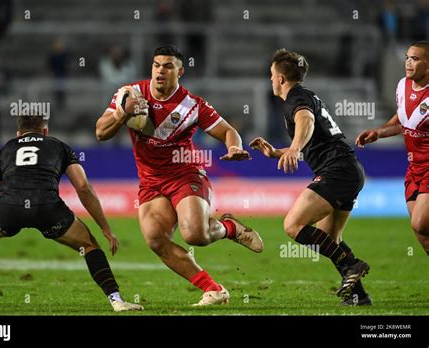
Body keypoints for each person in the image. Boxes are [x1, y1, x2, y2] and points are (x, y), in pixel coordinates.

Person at [96, 45, 263, 306]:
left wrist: (234, 147)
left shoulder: (192, 105)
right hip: (151, 181)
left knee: (195, 235)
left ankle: (230, 227)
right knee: (155, 239)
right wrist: (122, 113)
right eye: (156, 65)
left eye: (168, 66)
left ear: (180, 71)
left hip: (185, 174)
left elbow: (228, 131)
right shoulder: (130, 94)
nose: (160, 71)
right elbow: (101, 132)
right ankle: (214, 289)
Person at [0, 115, 143, 312]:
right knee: (89, 245)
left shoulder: (6, 149)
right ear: (45, 131)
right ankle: (116, 300)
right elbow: (83, 188)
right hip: (47, 208)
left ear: (18, 134)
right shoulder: (58, 146)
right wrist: (105, 228)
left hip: (8, 208)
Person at [250, 49, 371, 305]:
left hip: (336, 170)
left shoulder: (296, 98)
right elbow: (312, 139)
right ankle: (359, 296)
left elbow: (306, 121)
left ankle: (351, 265)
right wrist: (276, 152)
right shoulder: (306, 95)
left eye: (272, 75)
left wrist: (293, 149)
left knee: (293, 225)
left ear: (281, 79)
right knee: (329, 238)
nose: (270, 80)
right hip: (348, 169)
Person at [355, 41, 429, 254]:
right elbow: (402, 120)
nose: (408, 62)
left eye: (415, 59)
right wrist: (378, 132)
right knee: (422, 237)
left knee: (421, 223)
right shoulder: (402, 86)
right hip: (413, 169)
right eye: (407, 57)